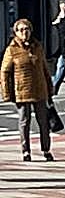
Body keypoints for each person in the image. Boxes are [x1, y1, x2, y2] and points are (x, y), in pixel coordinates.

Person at [1, 19, 54, 162]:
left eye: (27, 29)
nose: (25, 32)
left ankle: (46, 149)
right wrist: (6, 93)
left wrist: (50, 88)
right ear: (16, 32)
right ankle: (26, 151)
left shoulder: (37, 47)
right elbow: (4, 72)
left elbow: (44, 69)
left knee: (43, 121)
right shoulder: (11, 49)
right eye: (21, 30)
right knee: (24, 121)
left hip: (40, 89)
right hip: (22, 91)